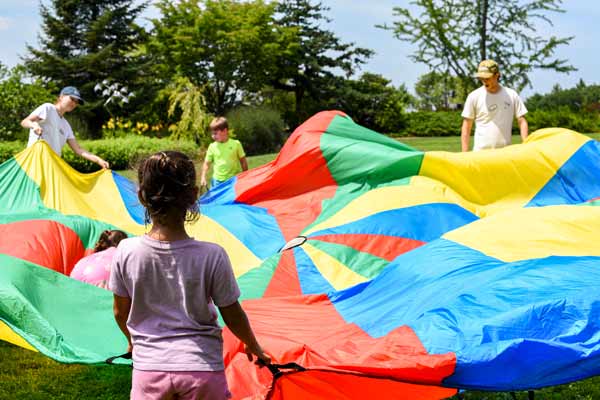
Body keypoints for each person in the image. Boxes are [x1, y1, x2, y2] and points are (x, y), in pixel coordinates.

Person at [109, 151, 270, 400]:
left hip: (149, 370)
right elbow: (232, 313)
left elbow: (120, 312)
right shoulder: (212, 255)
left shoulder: (126, 251)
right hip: (201, 368)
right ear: (193, 196)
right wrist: (253, 344)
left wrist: (133, 341)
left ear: (141, 197)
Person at [21, 86, 110, 169]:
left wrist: (98, 160)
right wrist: (34, 125)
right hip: (35, 164)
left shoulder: (66, 126)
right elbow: (25, 121)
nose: (74, 103)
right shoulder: (48, 108)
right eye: (72, 99)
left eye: (76, 102)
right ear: (62, 97)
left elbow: (78, 149)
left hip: (53, 168)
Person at [461, 60, 529, 152]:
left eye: (487, 78)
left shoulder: (511, 95)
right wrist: (464, 154)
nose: (484, 81)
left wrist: (526, 145)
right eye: (482, 78)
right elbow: (466, 126)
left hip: (505, 154)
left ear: (497, 75)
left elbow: (522, 121)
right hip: (480, 154)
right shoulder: (474, 96)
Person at [200, 117, 248, 188]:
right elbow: (206, 164)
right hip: (217, 182)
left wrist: (246, 175)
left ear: (225, 131)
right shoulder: (212, 146)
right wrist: (203, 177)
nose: (213, 136)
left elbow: (243, 161)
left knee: (232, 199)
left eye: (215, 133)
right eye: (212, 134)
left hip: (233, 180)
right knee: (217, 199)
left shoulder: (236, 144)